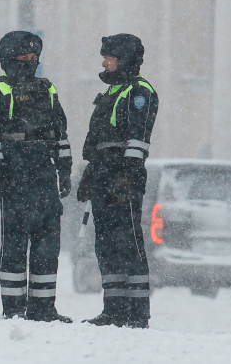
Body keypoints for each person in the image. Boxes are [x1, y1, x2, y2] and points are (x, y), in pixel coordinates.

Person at [0, 31, 73, 322]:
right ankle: (14, 308)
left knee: (47, 242)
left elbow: (60, 132)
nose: (29, 63)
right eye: (22, 58)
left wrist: (64, 168)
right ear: (8, 59)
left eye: (33, 58)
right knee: (15, 242)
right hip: (15, 173)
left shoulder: (46, 88)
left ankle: (44, 308)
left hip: (43, 173)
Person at [77, 33, 158, 328]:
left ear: (123, 59)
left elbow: (137, 138)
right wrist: (91, 170)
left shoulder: (139, 92)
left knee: (129, 241)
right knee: (106, 242)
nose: (103, 62)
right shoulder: (113, 91)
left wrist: (127, 173)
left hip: (123, 175)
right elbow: (99, 138)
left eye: (108, 57)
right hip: (103, 173)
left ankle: (137, 312)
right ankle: (114, 308)